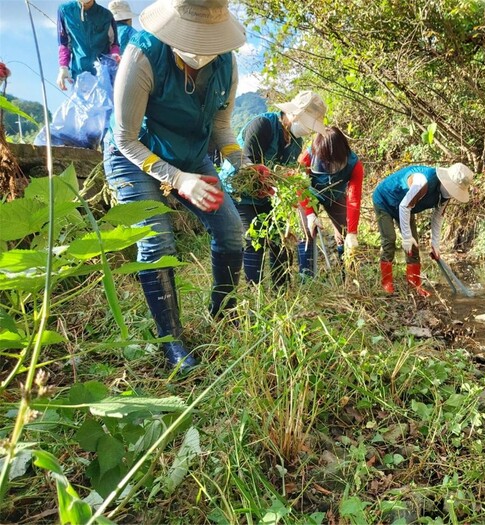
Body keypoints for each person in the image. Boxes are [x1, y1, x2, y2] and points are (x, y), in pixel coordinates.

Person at [102, 0, 248, 373]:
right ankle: (173, 342)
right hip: (136, 155)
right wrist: (178, 180)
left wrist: (245, 166)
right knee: (157, 242)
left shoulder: (226, 66)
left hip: (191, 153)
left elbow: (222, 129)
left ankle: (223, 312)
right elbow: (125, 138)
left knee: (232, 230)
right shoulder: (142, 55)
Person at [233, 90, 327, 285]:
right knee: (254, 237)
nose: (308, 131)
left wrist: (308, 211)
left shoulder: (296, 143)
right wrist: (272, 182)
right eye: (307, 124)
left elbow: (291, 177)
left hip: (271, 195)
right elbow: (246, 163)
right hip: (243, 191)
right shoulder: (263, 125)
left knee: (281, 239)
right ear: (293, 114)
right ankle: (254, 291)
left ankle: (281, 290)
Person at [372, 163, 474, 296]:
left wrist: (435, 245)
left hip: (405, 206)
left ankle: (414, 286)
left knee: (414, 246)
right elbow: (404, 206)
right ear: (446, 181)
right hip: (384, 200)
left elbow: (437, 217)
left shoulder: (446, 196)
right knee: (389, 239)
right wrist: (407, 237)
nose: (452, 193)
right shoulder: (422, 182)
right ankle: (387, 284)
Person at [297, 126, 363, 277]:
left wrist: (352, 233)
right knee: (307, 231)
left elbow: (354, 199)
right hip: (310, 194)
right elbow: (299, 185)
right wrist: (309, 214)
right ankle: (306, 278)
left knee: (345, 232)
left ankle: (347, 276)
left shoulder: (354, 165)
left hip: (335, 195)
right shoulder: (308, 156)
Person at [57, 0, 120, 90]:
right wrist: (63, 67)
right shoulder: (65, 11)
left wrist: (115, 57)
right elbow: (63, 43)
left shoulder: (106, 15)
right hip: (79, 76)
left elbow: (114, 44)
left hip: (104, 78)